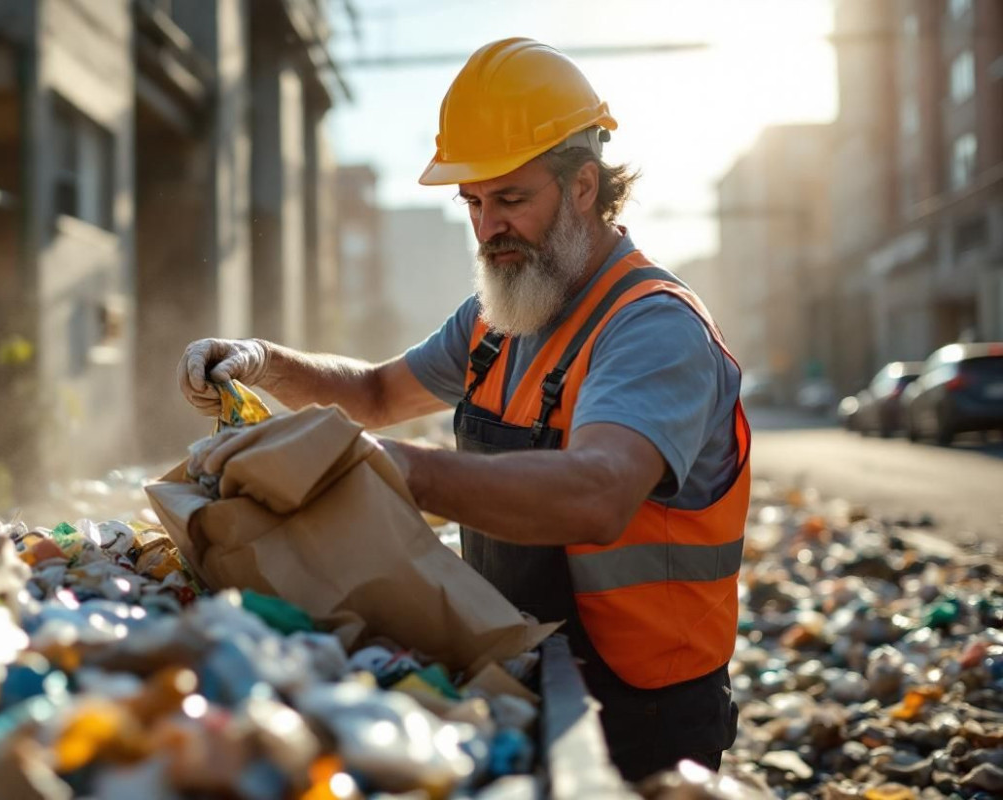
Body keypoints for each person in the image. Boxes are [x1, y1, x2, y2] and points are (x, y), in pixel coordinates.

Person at [176, 37, 748, 781]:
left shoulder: (651, 328)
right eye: (473, 202)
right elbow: (377, 393)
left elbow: (600, 491)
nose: (488, 229)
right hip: (520, 660)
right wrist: (263, 360)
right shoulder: (497, 320)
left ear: (583, 186)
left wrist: (398, 471)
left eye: (511, 199)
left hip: (644, 707)